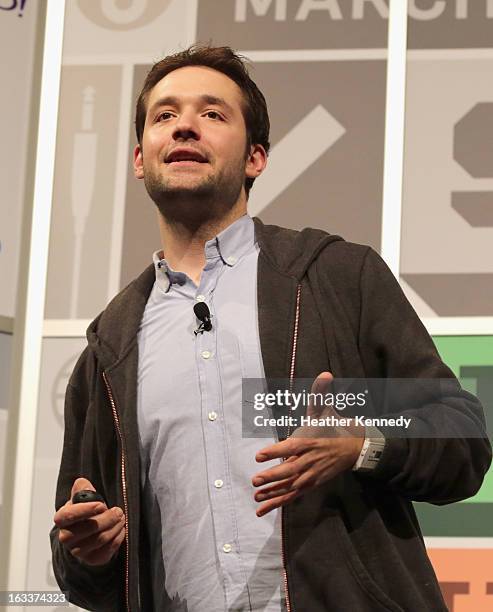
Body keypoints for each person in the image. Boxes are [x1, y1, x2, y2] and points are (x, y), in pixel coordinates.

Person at [50, 45, 491, 612]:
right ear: (140, 159)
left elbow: (459, 438)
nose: (184, 125)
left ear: (255, 158)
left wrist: (361, 444)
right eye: (164, 115)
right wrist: (90, 553)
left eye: (212, 114)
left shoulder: (334, 277)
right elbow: (86, 569)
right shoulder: (111, 345)